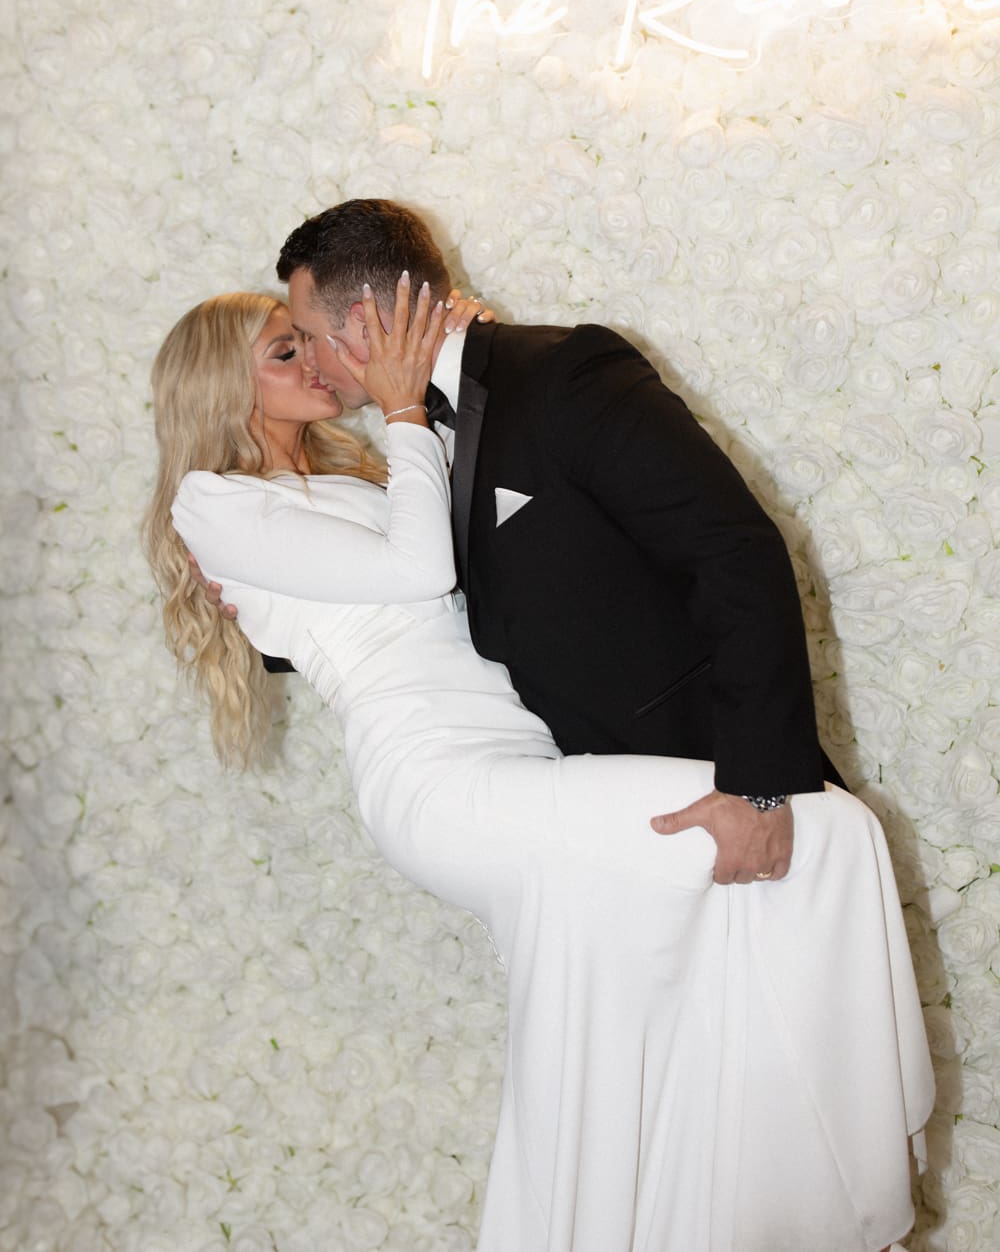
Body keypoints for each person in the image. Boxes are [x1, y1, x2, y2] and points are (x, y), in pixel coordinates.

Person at [146, 279, 934, 1252]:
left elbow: (454, 539)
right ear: (220, 388)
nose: (314, 364)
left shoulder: (357, 481)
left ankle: (719, 1220)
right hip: (444, 783)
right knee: (825, 833)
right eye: (283, 351)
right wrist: (401, 409)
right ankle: (837, 1196)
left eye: (305, 341)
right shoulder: (212, 500)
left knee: (648, 995)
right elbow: (413, 574)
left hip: (525, 760)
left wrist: (452, 370)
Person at [262, 198, 840, 888]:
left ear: (362, 322)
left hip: (716, 793)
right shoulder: (410, 439)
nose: (314, 363)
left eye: (309, 335)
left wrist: (758, 789)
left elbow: (734, 554)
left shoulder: (566, 374)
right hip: (598, 828)